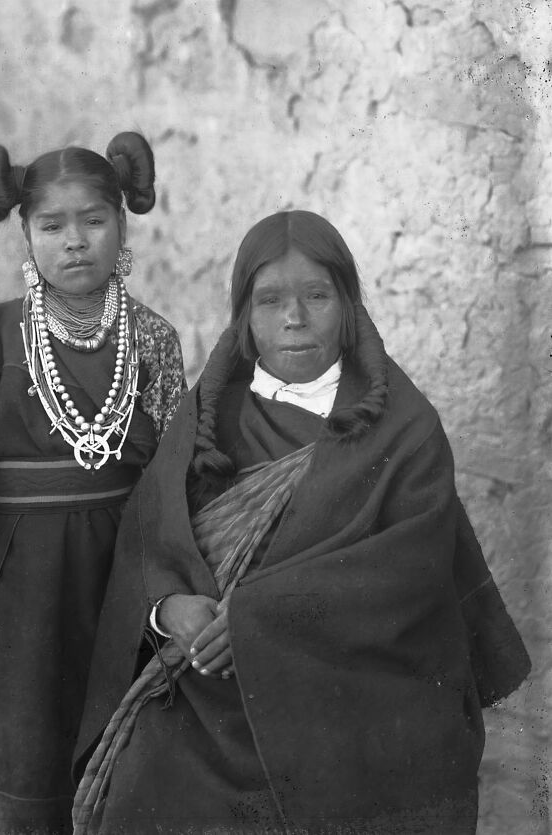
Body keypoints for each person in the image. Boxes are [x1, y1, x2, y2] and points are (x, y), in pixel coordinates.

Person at [71, 211, 531, 835]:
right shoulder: (206, 418)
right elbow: (149, 540)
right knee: (144, 781)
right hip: (211, 694)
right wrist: (168, 608)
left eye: (317, 296)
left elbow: (409, 574)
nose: (294, 318)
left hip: (351, 695)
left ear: (348, 308)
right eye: (270, 300)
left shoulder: (405, 427)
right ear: (244, 314)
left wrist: (259, 622)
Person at [0, 132, 186, 835]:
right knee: (28, 738)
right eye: (52, 225)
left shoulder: (153, 339)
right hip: (25, 579)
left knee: (127, 731)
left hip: (123, 570)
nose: (75, 241)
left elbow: (173, 474)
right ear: (26, 236)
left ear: (121, 226)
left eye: (93, 221)